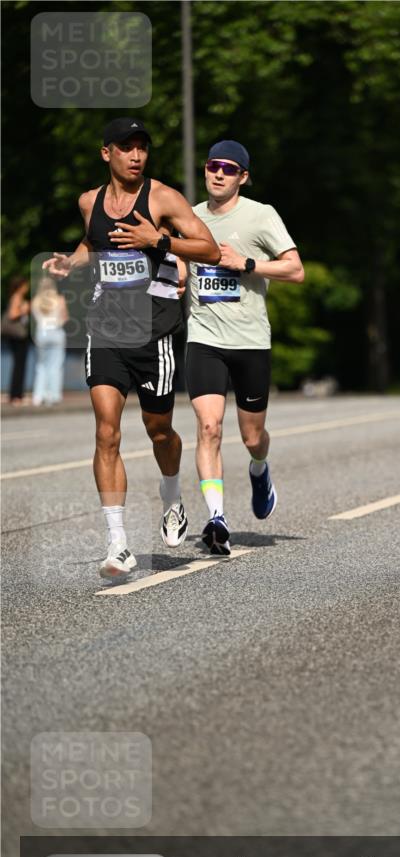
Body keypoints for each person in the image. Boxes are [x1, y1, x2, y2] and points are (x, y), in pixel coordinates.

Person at [43, 118, 220, 578]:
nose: (137, 155)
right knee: (107, 431)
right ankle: (118, 543)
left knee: (158, 429)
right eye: (127, 147)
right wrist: (71, 260)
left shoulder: (162, 198)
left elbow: (210, 249)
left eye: (142, 147)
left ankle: (171, 492)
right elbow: (93, 242)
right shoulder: (89, 202)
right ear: (107, 153)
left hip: (154, 332)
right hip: (104, 330)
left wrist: (157, 240)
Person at [184, 140, 304, 555]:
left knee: (252, 436)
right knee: (209, 427)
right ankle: (217, 518)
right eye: (212, 166)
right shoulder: (190, 218)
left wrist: (248, 264)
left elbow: (296, 269)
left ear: (242, 177)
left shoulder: (260, 216)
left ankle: (259, 469)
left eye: (228, 169)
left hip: (251, 340)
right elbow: (178, 264)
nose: (218, 173)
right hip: (204, 339)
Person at [31, 275, 68, 405]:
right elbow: (64, 318)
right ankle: (54, 396)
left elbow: (36, 320)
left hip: (41, 333)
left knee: (41, 365)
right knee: (56, 365)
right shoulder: (59, 300)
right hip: (56, 332)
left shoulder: (35, 301)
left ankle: (38, 396)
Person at [2, 276, 31, 405]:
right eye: (25, 285)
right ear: (21, 286)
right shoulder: (17, 297)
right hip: (17, 336)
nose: (27, 287)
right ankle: (16, 396)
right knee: (19, 366)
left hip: (17, 336)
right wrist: (24, 310)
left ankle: (16, 394)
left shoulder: (16, 297)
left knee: (19, 365)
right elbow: (12, 315)